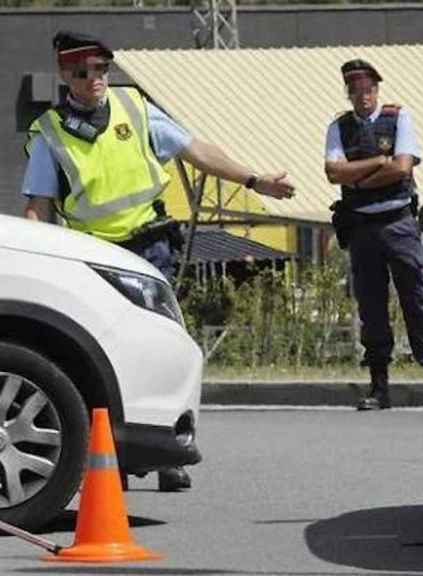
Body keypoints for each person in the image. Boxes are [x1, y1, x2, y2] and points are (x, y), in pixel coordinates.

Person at [22, 31, 295, 490]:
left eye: (103, 70)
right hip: (91, 257)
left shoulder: (134, 107)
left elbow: (196, 150)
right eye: (85, 72)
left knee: (163, 345)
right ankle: (113, 454)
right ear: (65, 75)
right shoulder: (50, 132)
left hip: (150, 247)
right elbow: (38, 204)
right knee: (103, 351)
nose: (97, 80)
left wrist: (253, 180)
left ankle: (169, 449)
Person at [324, 59, 423, 411]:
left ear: (376, 90)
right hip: (362, 227)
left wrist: (361, 178)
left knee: (418, 298)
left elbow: (401, 168)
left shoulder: (398, 118)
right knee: (371, 304)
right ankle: (379, 387)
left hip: (398, 222)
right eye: (356, 92)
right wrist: (376, 163)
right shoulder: (339, 127)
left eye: (368, 90)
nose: (363, 97)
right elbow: (334, 172)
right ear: (349, 94)